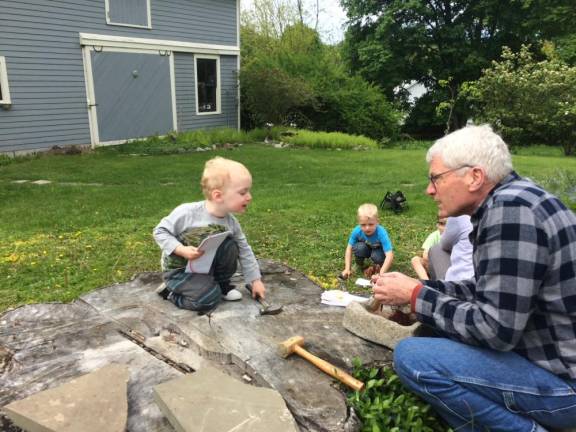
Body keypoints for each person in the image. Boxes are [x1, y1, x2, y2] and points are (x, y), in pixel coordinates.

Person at [373, 125, 576, 431]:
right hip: (553, 361)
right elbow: (488, 290)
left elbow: (496, 330)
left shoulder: (511, 213)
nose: (429, 190)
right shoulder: (517, 200)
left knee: (413, 357)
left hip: (564, 385)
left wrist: (417, 297)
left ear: (474, 177)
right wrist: (421, 290)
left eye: (436, 178)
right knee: (433, 334)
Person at [153, 157, 266, 312]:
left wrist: (255, 280)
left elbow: (244, 249)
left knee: (231, 245)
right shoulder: (187, 213)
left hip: (207, 269)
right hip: (180, 271)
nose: (249, 197)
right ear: (218, 196)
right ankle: (171, 293)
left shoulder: (231, 222)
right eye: (243, 192)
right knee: (208, 300)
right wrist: (180, 249)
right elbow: (160, 232)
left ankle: (221, 284)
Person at [341, 203, 394, 279]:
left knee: (377, 257)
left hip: (379, 251)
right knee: (358, 247)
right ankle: (359, 264)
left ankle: (379, 266)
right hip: (366, 248)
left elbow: (390, 255)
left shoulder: (381, 233)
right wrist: (347, 268)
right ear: (359, 223)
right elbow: (349, 249)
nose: (367, 228)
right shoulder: (357, 231)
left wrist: (381, 274)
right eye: (363, 225)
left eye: (371, 224)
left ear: (377, 222)